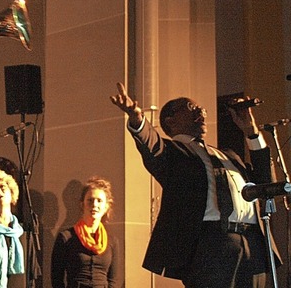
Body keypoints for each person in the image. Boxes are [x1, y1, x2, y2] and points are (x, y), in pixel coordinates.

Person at [109, 82, 279, 287]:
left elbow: (266, 183)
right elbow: (151, 144)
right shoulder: (172, 153)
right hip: (213, 245)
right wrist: (137, 119)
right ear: (171, 121)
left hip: (253, 245)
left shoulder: (229, 156)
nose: (200, 110)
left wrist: (251, 133)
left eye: (202, 108)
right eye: (190, 107)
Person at [51, 176, 121, 288]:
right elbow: (57, 279)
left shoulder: (112, 241)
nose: (94, 205)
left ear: (106, 206)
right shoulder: (66, 238)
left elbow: (113, 280)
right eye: (90, 200)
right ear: (82, 204)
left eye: (99, 201)